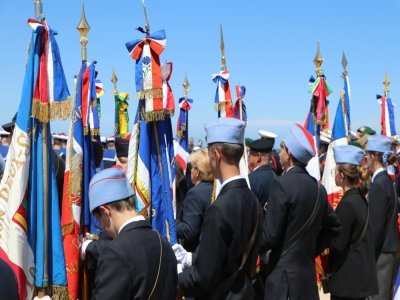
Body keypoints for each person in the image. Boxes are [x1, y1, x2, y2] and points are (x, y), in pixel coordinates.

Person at [176, 117, 262, 299]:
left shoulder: (219, 208)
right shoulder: (252, 199)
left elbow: (202, 277)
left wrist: (173, 278)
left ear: (216, 155)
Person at [262, 123, 341, 300]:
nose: (280, 152)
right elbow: (334, 227)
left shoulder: (282, 185)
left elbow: (269, 236)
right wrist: (310, 250)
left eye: (282, 148)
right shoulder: (318, 189)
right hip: (306, 277)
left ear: (289, 154)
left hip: (283, 281)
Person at [87, 168, 177, 300]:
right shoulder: (164, 243)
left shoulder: (114, 252)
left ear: (105, 211)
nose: (102, 227)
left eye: (98, 220)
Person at [326, 145, 378, 300]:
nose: (334, 175)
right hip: (357, 280)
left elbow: (337, 245)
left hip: (347, 283)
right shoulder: (359, 198)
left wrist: (325, 228)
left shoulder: (348, 204)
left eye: (334, 172)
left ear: (341, 176)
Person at [366, 135, 400, 300]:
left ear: (373, 156)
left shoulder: (379, 184)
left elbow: (376, 227)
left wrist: (367, 257)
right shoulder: (386, 180)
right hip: (388, 250)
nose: (365, 159)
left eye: (367, 155)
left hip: (381, 254)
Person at [176, 148, 213, 252]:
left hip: (196, 253)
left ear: (197, 172)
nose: (190, 171)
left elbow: (188, 230)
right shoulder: (215, 188)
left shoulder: (195, 193)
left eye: (192, 168)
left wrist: (169, 222)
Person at [248, 135, 276, 208]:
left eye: (250, 154)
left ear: (258, 156)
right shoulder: (276, 176)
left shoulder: (251, 179)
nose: (248, 157)